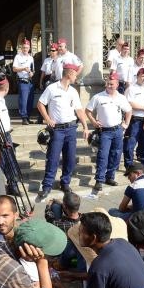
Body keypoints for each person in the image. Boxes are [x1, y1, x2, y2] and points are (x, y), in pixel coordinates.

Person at [52, 212, 144, 288]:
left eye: (81, 231)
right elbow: (106, 274)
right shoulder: (121, 242)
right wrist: (74, 276)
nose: (79, 233)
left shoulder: (99, 266)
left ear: (93, 238)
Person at [36, 63, 89, 201]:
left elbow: (79, 110)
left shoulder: (73, 91)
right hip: (57, 130)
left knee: (70, 158)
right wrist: (47, 118)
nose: (76, 76)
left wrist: (85, 126)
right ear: (69, 74)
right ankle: (46, 186)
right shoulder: (52, 88)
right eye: (75, 73)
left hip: (71, 128)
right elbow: (40, 104)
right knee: (53, 158)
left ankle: (65, 183)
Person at [86, 73, 132, 195]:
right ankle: (99, 180)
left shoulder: (121, 98)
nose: (109, 86)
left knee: (116, 155)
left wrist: (126, 124)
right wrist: (94, 122)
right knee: (103, 156)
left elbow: (129, 111)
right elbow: (88, 111)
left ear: (117, 85)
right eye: (108, 83)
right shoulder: (98, 97)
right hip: (105, 132)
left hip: (117, 130)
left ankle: (110, 177)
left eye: (112, 84)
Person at [123, 67, 144, 170]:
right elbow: (128, 103)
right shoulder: (131, 88)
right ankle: (129, 164)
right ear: (137, 77)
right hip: (134, 119)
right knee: (130, 143)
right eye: (142, 76)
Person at [12, 40, 36, 125]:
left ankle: (28, 117)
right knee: (23, 100)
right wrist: (23, 69)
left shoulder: (31, 58)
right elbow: (14, 69)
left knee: (30, 100)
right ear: (21, 48)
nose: (25, 49)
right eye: (24, 47)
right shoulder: (18, 57)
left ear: (29, 48)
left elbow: (33, 70)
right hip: (22, 81)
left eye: (27, 47)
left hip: (30, 81)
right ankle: (24, 117)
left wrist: (31, 73)